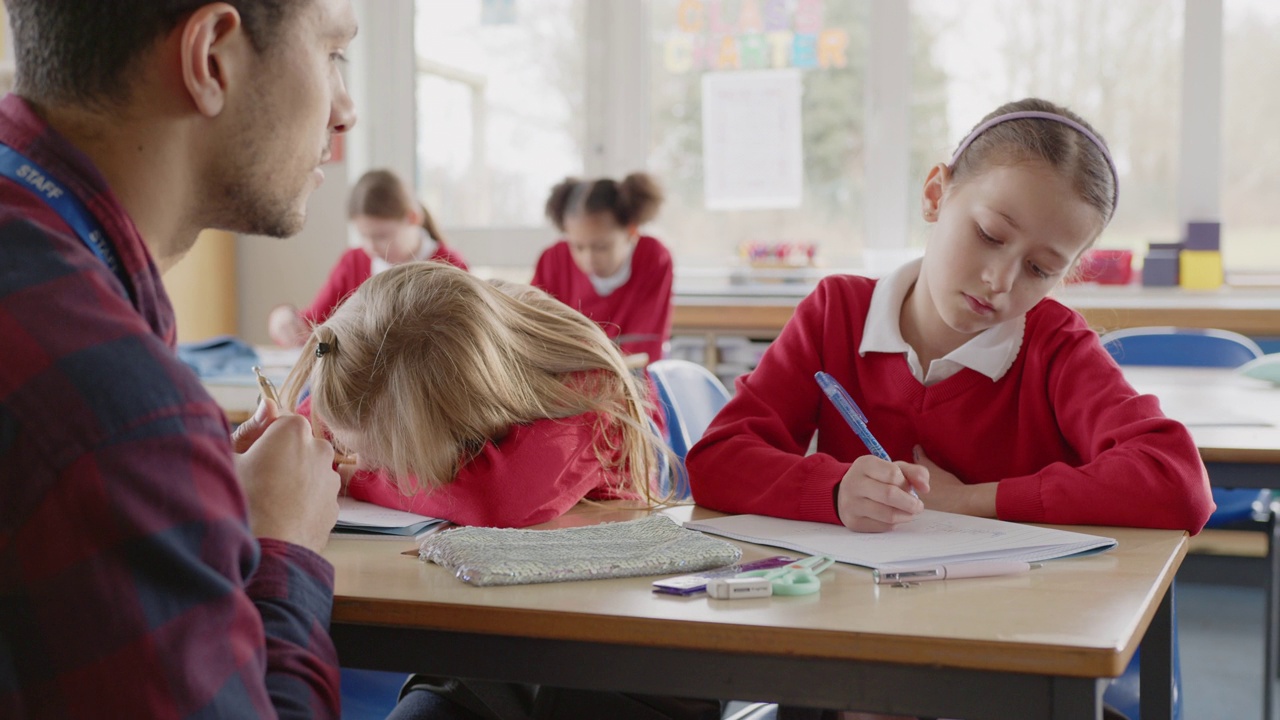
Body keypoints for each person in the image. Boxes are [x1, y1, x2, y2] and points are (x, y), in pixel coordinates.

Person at [0, 1, 356, 717]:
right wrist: (281, 548)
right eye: (331, 53)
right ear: (211, 59)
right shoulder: (117, 413)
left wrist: (182, 494)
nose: (343, 112)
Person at [686, 98, 1216, 538]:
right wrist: (834, 490)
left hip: (1010, 635)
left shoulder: (1055, 347)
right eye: (989, 235)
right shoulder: (836, 314)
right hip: (857, 625)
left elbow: (1178, 483)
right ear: (936, 195)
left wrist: (968, 501)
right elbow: (717, 461)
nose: (1000, 282)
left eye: (1039, 268)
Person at [281, 260, 665, 529]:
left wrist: (351, 478)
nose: (362, 461)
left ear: (446, 412)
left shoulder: (592, 391)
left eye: (378, 458)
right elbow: (325, 421)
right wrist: (288, 442)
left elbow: (494, 500)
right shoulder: (424, 358)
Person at [269, 168, 468, 347]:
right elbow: (312, 325)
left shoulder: (451, 266)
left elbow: (467, 336)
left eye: (381, 236)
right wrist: (284, 318)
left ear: (412, 218)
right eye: (364, 236)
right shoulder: (354, 262)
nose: (371, 246)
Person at [531, 172, 672, 364]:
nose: (588, 259)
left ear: (631, 230)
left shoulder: (654, 258)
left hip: (632, 380)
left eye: (601, 247)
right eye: (578, 247)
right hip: (565, 381)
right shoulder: (552, 259)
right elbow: (536, 333)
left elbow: (645, 346)